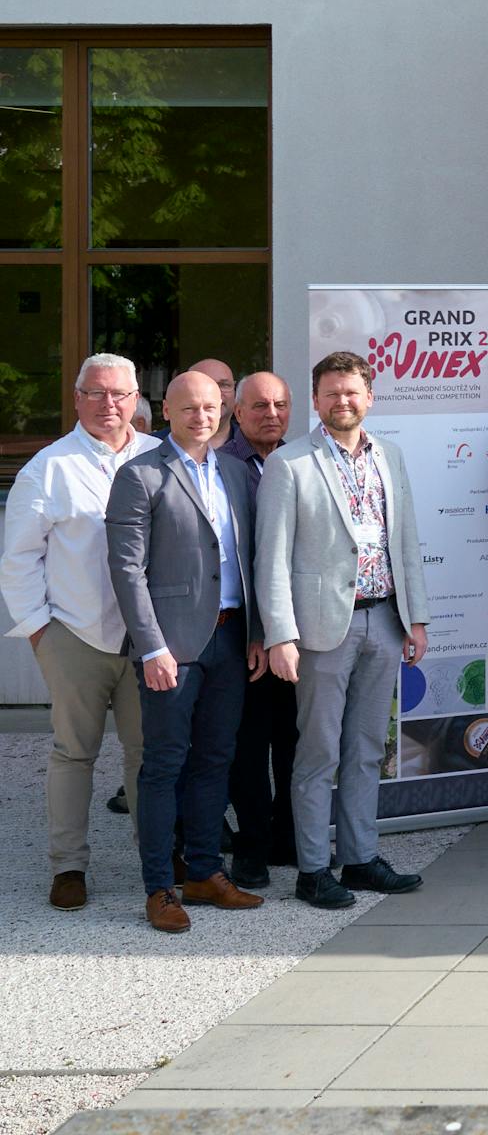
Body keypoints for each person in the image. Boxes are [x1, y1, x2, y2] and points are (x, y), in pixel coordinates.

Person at [254, 351, 431, 909]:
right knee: (318, 752)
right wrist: (280, 635)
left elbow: (405, 541)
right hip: (321, 630)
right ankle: (312, 869)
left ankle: (359, 858)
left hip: (385, 619)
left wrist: (416, 617)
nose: (342, 401)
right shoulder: (290, 464)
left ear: (369, 397)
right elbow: (271, 558)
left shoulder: (390, 456)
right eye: (331, 393)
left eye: (352, 392)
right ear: (316, 399)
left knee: (366, 749)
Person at [106, 370, 266, 932]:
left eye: (211, 406)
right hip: (170, 646)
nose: (202, 416)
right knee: (163, 765)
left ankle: (203, 873)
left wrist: (257, 633)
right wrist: (151, 647)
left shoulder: (235, 471)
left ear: (223, 411)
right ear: (167, 411)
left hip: (231, 637)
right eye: (190, 407)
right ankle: (159, 887)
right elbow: (127, 570)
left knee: (215, 760)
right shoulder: (140, 474)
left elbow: (250, 560)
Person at [4, 354, 159, 912]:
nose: (108, 404)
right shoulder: (48, 468)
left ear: (136, 399)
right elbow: (18, 558)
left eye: (119, 394)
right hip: (74, 636)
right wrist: (41, 633)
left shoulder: (159, 457)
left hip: (148, 641)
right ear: (76, 399)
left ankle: (156, 860)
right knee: (74, 754)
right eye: (95, 393)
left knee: (149, 755)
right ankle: (68, 866)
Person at [219, 370, 299, 887]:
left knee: (294, 739)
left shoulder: (302, 461)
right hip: (244, 635)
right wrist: (257, 631)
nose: (271, 414)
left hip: (297, 631)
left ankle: (288, 835)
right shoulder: (222, 467)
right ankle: (251, 844)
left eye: (280, 404)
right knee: (247, 743)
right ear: (238, 412)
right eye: (260, 405)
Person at [188, 358, 238, 445]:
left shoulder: (253, 444)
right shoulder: (162, 443)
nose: (216, 392)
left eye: (224, 385)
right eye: (205, 385)